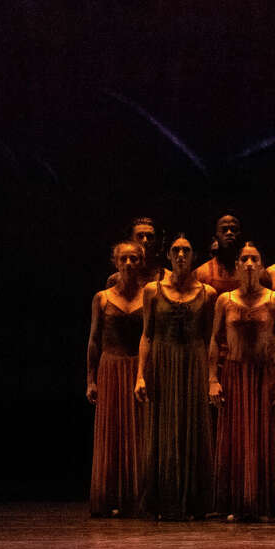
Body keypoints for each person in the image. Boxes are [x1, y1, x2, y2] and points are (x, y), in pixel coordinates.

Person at [134, 234, 217, 520]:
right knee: (163, 428)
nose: (181, 255)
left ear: (193, 256)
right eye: (176, 250)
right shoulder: (152, 291)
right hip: (162, 361)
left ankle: (194, 500)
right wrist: (140, 376)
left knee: (193, 425)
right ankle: (164, 499)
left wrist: (212, 378)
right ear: (169, 255)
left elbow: (210, 339)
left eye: (186, 250)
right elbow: (146, 334)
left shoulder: (208, 293)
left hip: (193, 361)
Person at [209, 242, 275, 521]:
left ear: (262, 265)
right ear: (236, 266)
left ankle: (264, 503)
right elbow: (215, 340)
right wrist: (213, 379)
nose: (249, 263)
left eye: (254, 258)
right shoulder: (225, 299)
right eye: (244, 259)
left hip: (264, 373)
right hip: (234, 372)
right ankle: (237, 503)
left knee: (263, 435)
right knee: (236, 436)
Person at [86, 240, 146, 517]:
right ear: (116, 262)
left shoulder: (150, 295)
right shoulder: (102, 297)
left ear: (141, 262)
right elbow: (94, 340)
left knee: (139, 432)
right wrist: (91, 379)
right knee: (113, 431)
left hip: (138, 369)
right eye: (124, 259)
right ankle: (109, 496)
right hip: (110, 368)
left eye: (134, 259)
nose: (129, 263)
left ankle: (138, 497)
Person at [106, 217, 171, 288]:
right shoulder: (116, 280)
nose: (145, 240)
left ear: (156, 241)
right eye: (140, 236)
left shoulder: (168, 278)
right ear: (131, 240)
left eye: (150, 237)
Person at [194, 214, 243, 295]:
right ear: (216, 236)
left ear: (240, 234)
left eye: (233, 229)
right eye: (224, 229)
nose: (229, 233)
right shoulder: (200, 274)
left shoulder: (253, 272)